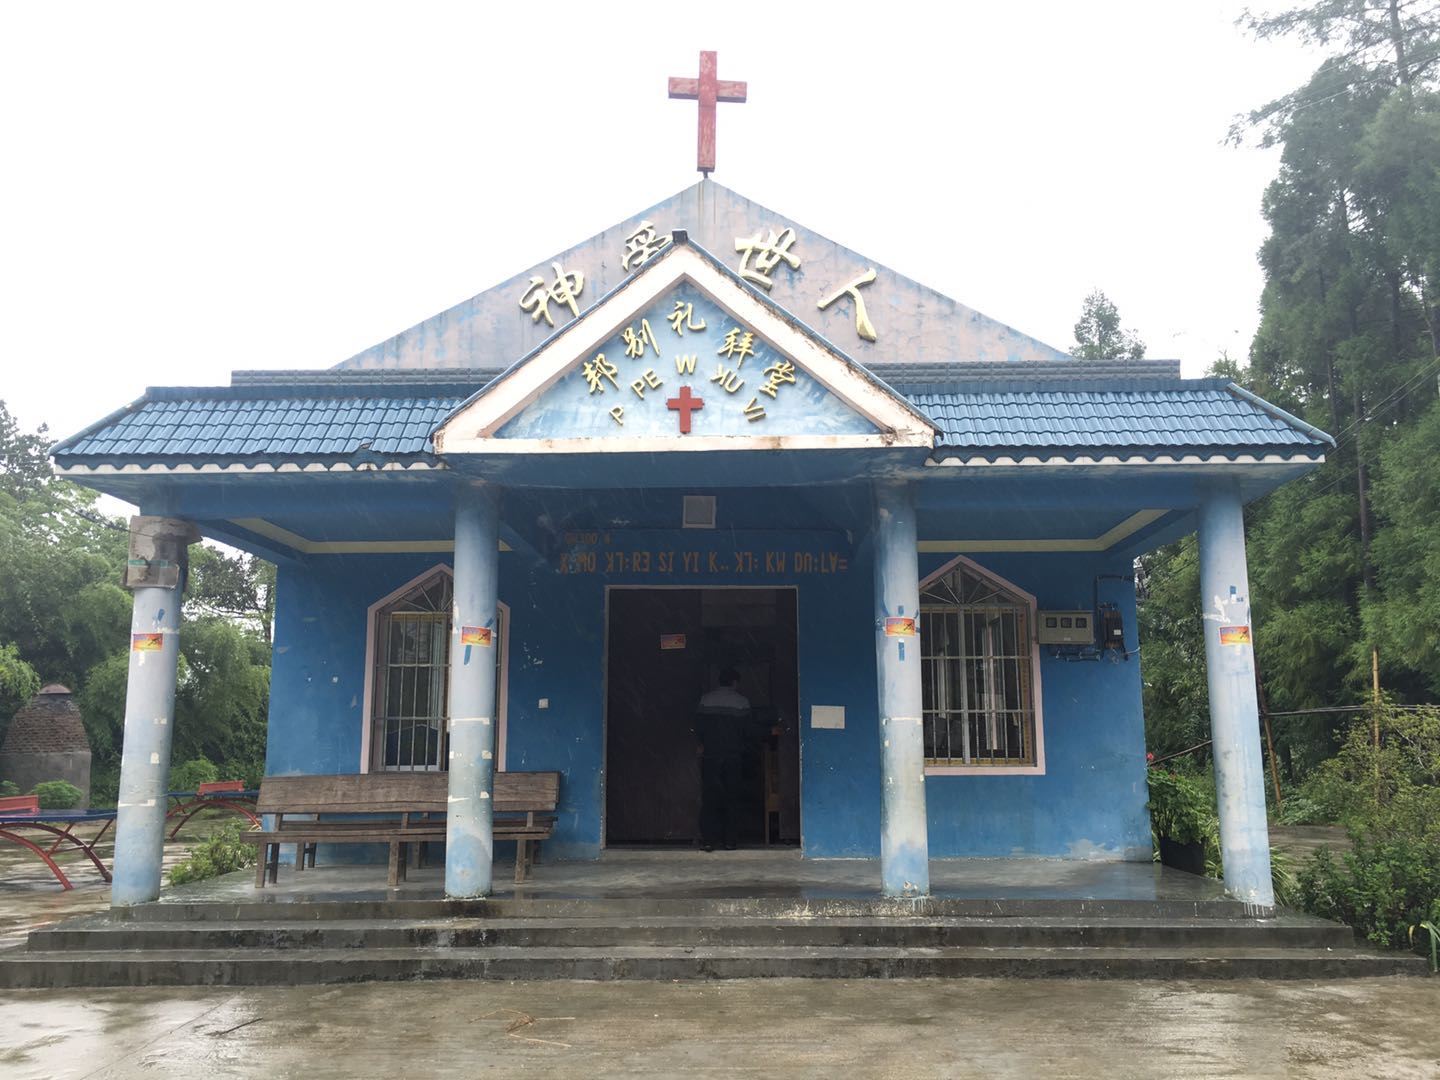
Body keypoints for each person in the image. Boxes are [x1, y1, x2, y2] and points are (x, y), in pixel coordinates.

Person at [695, 668, 751, 851]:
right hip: (733, 756)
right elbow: (748, 731)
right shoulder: (742, 702)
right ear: (735, 683)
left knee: (710, 797)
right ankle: (730, 841)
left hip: (711, 755)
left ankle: (709, 840)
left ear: (718, 682)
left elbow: (699, 727)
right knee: (732, 798)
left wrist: (703, 743)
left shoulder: (706, 700)